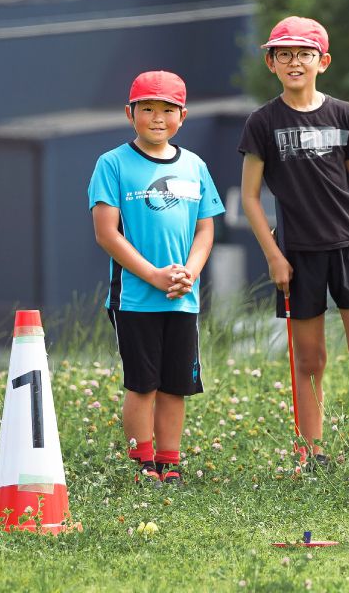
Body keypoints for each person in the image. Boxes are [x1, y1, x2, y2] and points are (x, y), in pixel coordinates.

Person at [238, 16, 349, 466]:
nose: (294, 62)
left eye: (304, 54)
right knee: (310, 359)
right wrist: (274, 255)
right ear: (271, 63)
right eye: (283, 54)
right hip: (296, 255)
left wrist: (341, 220)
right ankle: (311, 454)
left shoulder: (346, 114)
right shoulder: (262, 122)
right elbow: (249, 197)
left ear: (322, 61)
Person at [88, 70, 225, 485]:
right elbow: (106, 232)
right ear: (130, 113)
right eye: (147, 109)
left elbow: (206, 228)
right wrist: (153, 275)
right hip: (134, 296)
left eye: (167, 110)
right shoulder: (112, 164)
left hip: (182, 296)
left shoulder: (195, 165)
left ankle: (169, 462)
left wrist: (190, 273)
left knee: (175, 386)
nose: (157, 118)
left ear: (182, 116)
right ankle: (143, 464)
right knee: (142, 385)